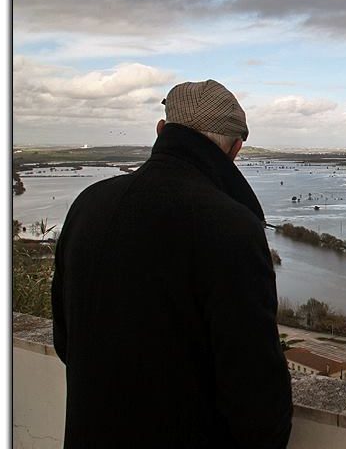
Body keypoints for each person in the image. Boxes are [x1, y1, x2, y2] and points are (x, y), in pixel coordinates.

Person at [52, 80, 293, 448]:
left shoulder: (89, 203)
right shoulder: (230, 226)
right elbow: (255, 394)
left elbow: (65, 342)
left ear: (161, 129)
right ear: (236, 149)